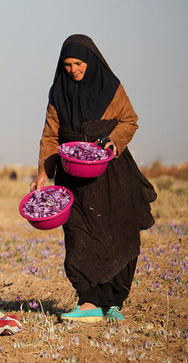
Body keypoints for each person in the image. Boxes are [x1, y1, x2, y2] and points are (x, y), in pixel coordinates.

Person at [30, 34, 157, 322]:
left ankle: (111, 302)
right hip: (72, 177)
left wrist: (113, 142)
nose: (73, 69)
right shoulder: (58, 93)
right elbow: (50, 137)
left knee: (118, 234)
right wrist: (43, 173)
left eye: (78, 63)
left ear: (91, 62)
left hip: (112, 174)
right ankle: (88, 302)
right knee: (78, 234)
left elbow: (130, 120)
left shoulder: (111, 88)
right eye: (67, 65)